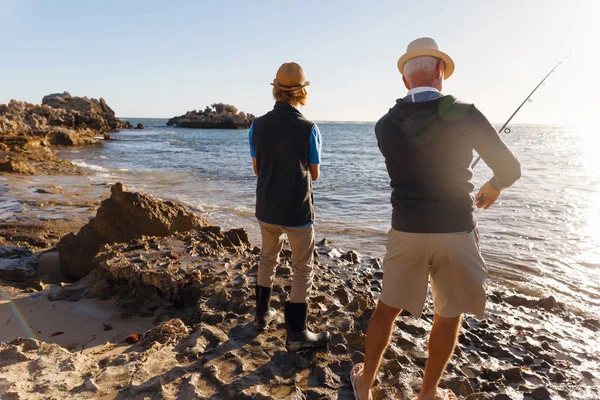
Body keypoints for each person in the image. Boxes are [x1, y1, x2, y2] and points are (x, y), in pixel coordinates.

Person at [350, 38, 521, 400]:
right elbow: (510, 168)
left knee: (386, 310)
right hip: (456, 228)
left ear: (405, 81)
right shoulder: (466, 112)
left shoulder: (384, 125)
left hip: (406, 229)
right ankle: (427, 393)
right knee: (449, 312)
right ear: (441, 72)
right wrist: (493, 185)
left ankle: (364, 385)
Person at [249, 62, 331, 352]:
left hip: (267, 207)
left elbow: (257, 168)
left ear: (275, 90)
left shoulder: (257, 124)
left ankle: (261, 316)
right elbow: (315, 173)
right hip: (297, 211)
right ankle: (297, 333)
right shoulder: (309, 128)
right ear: (302, 92)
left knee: (267, 258)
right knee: (302, 267)